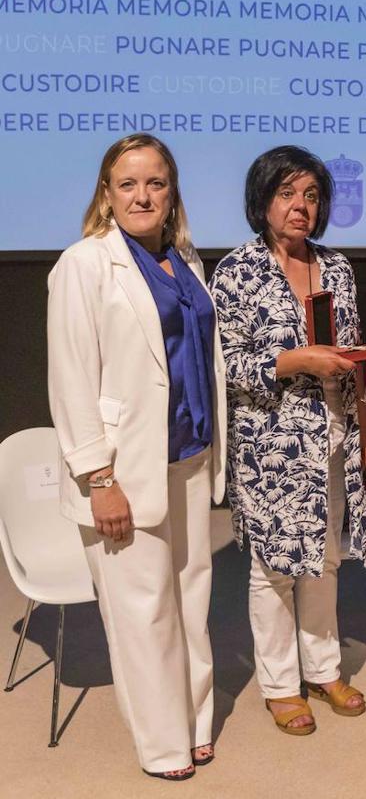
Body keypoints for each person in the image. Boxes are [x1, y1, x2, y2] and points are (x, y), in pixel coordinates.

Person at [47, 133, 226, 780]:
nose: (143, 195)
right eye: (128, 184)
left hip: (189, 458)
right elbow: (70, 381)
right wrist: (99, 478)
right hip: (123, 469)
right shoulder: (84, 265)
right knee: (142, 612)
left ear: (171, 192)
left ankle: (195, 721)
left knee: (189, 600)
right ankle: (162, 746)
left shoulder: (186, 260)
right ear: (106, 194)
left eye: (156, 183)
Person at [210, 146, 366, 735]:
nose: (300, 207)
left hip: (334, 434)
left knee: (326, 560)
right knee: (273, 569)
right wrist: (293, 360)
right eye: (287, 194)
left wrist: (364, 428)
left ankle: (324, 669)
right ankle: (280, 684)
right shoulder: (235, 271)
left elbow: (352, 357)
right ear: (263, 200)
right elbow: (228, 366)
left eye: (310, 196)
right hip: (269, 445)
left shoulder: (338, 267)